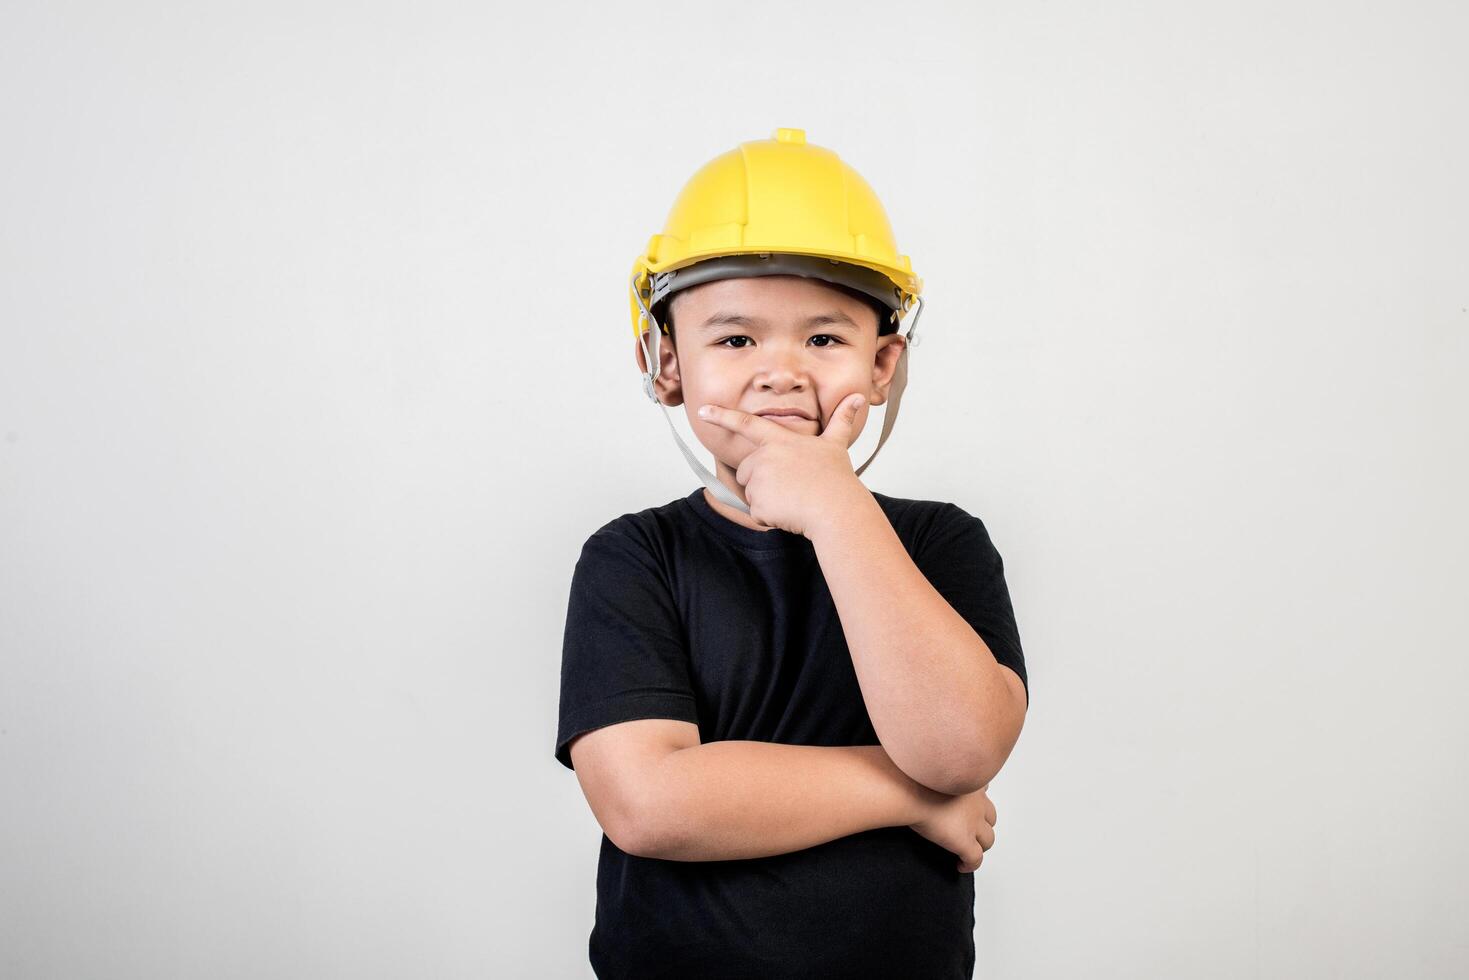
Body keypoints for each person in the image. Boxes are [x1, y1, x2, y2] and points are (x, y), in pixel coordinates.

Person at [554, 127, 1030, 980]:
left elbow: (960, 751)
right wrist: (910, 798)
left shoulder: (938, 543)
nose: (779, 370)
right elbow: (648, 802)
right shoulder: (635, 558)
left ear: (883, 363)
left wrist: (834, 506)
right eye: (735, 340)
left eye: (823, 339)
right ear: (664, 363)